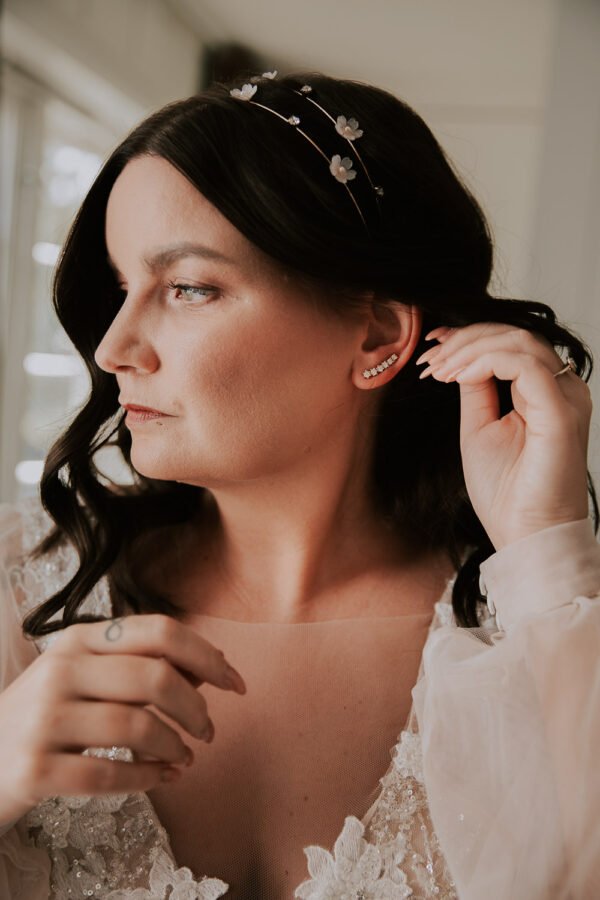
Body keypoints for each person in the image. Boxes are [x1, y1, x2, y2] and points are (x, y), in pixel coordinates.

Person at [0, 68, 598, 900]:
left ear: (378, 334)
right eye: (122, 286)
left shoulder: (533, 630)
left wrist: (545, 549)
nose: (113, 348)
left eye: (188, 288)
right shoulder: (20, 590)